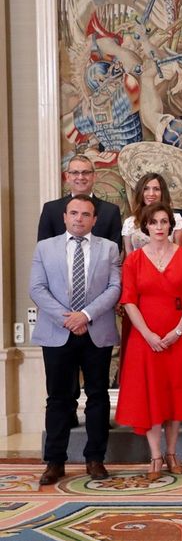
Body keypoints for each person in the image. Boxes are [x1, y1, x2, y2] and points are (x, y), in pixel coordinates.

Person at [30, 194, 121, 485]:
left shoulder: (109, 248)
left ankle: (95, 459)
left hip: (96, 330)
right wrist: (67, 318)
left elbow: (115, 287)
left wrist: (85, 315)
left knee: (97, 396)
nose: (79, 218)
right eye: (74, 213)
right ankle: (55, 461)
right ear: (65, 217)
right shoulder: (45, 248)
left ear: (94, 219)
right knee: (59, 398)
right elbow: (37, 288)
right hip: (58, 332)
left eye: (85, 214)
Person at [114, 202, 182, 481]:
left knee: (175, 396)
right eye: (155, 222)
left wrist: (177, 331)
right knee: (151, 396)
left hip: (178, 336)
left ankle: (172, 452)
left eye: (165, 222)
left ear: (171, 225)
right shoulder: (134, 260)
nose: (160, 227)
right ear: (146, 226)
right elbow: (128, 300)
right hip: (145, 338)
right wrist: (148, 335)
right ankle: (155, 455)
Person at [37, 155, 122, 249]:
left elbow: (114, 252)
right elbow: (44, 250)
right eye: (75, 173)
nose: (81, 177)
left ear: (94, 176)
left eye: (86, 172)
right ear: (67, 177)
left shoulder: (111, 211)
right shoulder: (51, 209)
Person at [122, 172, 182, 253]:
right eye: (146, 189)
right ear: (140, 192)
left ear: (163, 193)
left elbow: (179, 253)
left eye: (156, 189)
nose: (151, 193)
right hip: (138, 265)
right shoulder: (129, 222)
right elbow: (128, 256)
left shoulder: (176, 219)